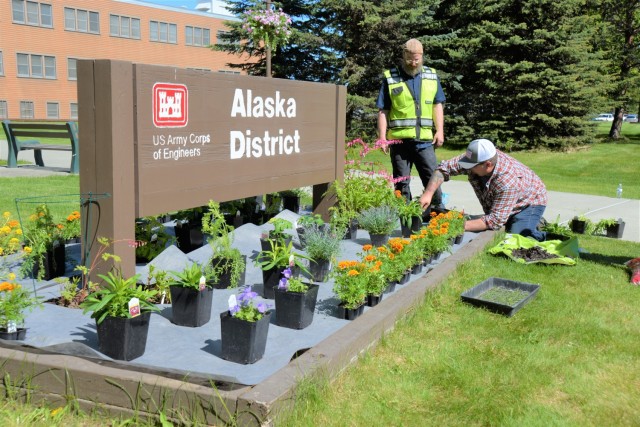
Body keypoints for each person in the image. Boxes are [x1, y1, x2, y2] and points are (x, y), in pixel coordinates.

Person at [418, 138, 548, 241]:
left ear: (488, 165)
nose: (467, 167)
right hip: (509, 197)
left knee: (515, 239)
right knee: (502, 221)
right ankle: (518, 219)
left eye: (471, 166)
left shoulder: (508, 181)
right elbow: (443, 169)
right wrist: (428, 194)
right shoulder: (475, 157)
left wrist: (456, 226)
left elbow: (494, 221)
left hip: (530, 201)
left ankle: (541, 231)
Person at [376, 38, 446, 208]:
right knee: (401, 183)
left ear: (422, 56)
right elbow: (383, 110)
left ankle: (436, 214)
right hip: (399, 142)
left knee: (432, 180)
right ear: (403, 55)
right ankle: (405, 218)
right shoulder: (390, 77)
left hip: (425, 141)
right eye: (410, 59)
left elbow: (438, 104)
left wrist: (440, 130)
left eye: (417, 59)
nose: (414, 63)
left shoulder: (431, 75)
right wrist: (382, 137)